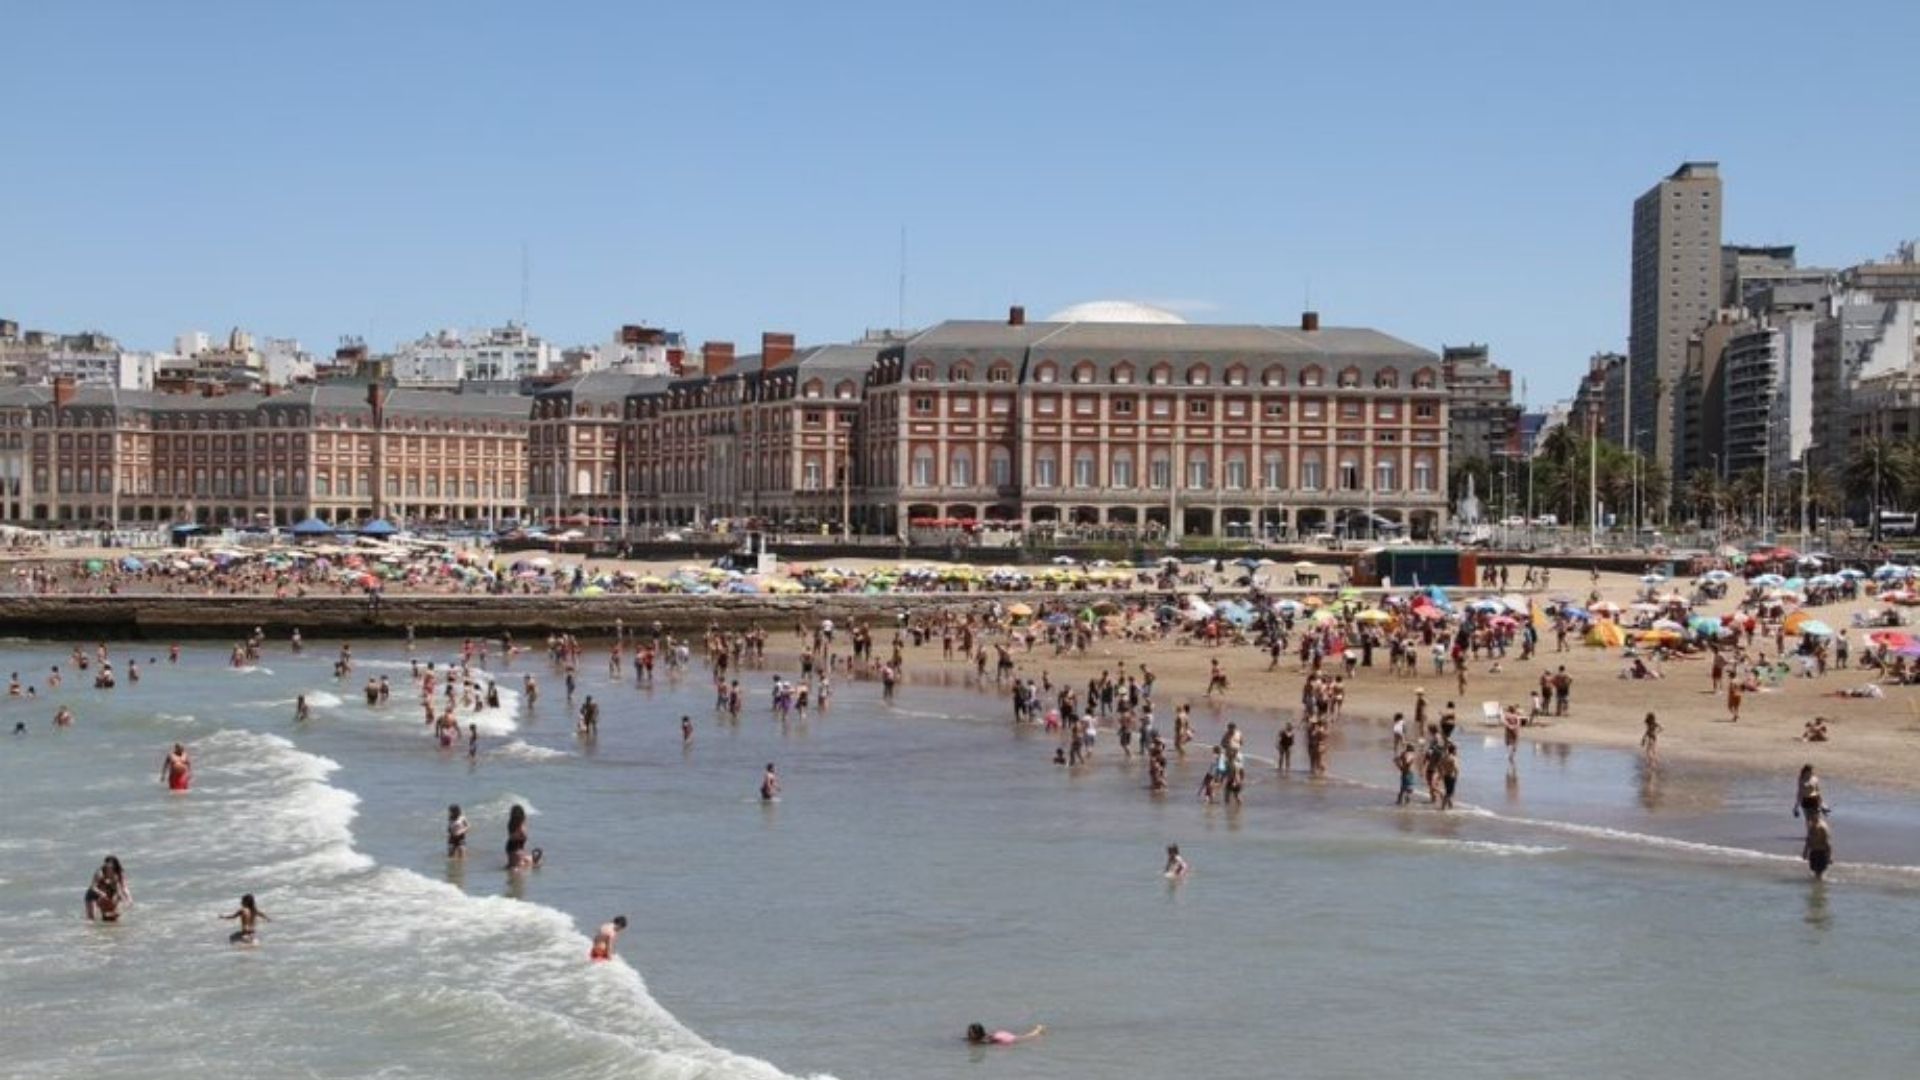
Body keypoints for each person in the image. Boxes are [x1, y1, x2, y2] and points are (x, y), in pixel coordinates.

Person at [85, 856, 129, 922]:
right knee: (91, 918)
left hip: (108, 892)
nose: (109, 868)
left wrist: (128, 898)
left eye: (111, 866)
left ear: (115, 866)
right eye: (107, 865)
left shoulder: (118, 873)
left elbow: (124, 887)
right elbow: (93, 887)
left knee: (111, 917)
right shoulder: (100, 873)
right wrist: (101, 893)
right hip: (94, 894)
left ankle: (107, 926)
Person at [1803, 814, 1834, 880]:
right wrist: (1805, 851)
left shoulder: (1822, 828)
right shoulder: (1811, 827)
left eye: (1812, 818)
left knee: (1819, 872)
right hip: (1813, 851)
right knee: (1814, 870)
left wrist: (1830, 856)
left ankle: (1819, 883)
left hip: (1821, 852)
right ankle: (1817, 883)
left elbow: (1827, 843)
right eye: (1810, 819)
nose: (1810, 820)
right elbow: (1808, 840)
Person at [966, 1023, 1046, 1046]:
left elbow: (994, 1041)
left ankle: (1038, 1031)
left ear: (978, 1033)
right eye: (969, 1032)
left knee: (1024, 1038)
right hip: (998, 1034)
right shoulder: (975, 1039)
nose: (969, 1034)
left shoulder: (985, 1041)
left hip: (1003, 1038)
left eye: (971, 1033)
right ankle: (1037, 1030)